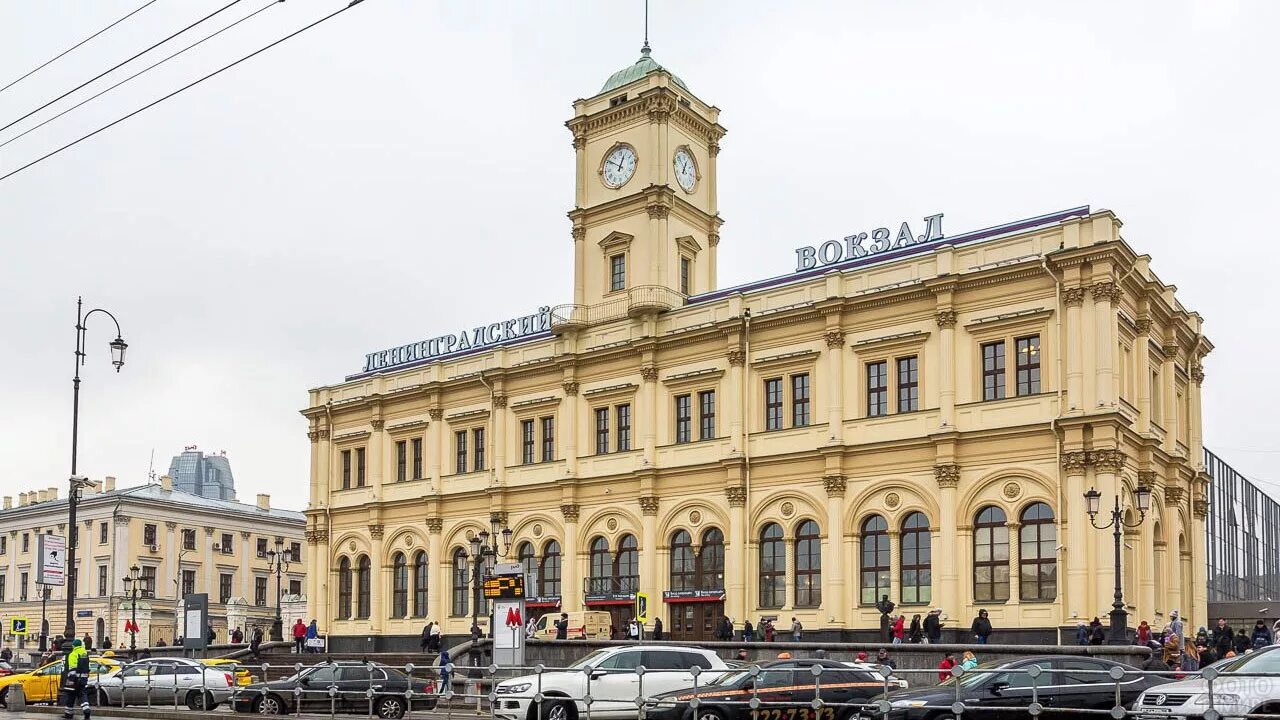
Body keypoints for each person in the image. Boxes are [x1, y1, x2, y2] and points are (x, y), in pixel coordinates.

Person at [60, 638, 91, 720]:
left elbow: (72, 668)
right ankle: (86, 710)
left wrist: (71, 679)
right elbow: (88, 667)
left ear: (73, 646)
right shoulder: (85, 653)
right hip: (84, 678)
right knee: (83, 695)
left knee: (70, 695)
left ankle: (68, 714)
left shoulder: (73, 654)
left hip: (75, 679)